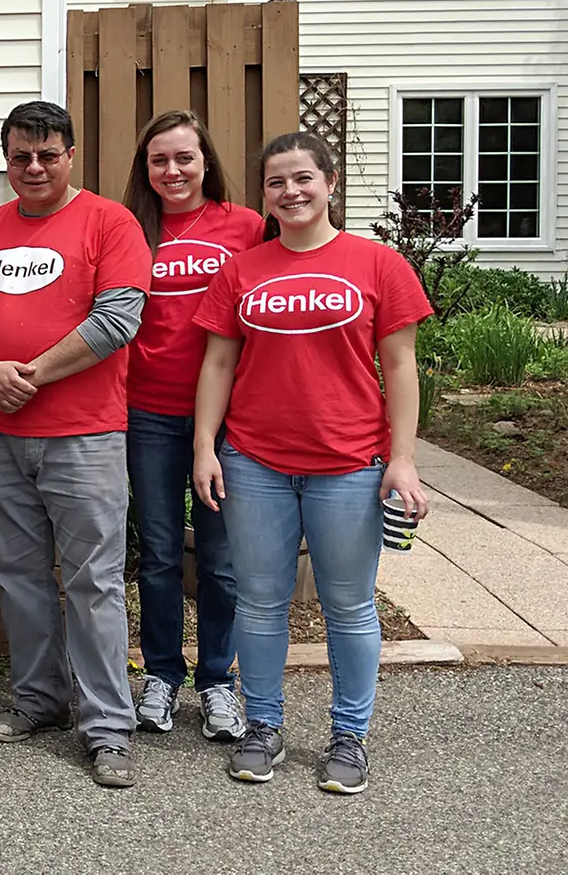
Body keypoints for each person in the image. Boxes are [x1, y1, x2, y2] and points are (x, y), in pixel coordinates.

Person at [192, 131, 432, 795]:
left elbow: (402, 368)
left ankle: (349, 738)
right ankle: (262, 726)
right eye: (276, 183)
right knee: (261, 604)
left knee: (349, 607)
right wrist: (204, 447)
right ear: (264, 195)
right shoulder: (243, 270)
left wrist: (403, 461)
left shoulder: (378, 265)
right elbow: (218, 362)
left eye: (303, 178)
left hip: (350, 465)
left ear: (330, 182)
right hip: (254, 463)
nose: (291, 192)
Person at [0, 100, 151, 788]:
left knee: (92, 582)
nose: (33, 167)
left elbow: (119, 318)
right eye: (20, 156)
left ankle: (107, 728)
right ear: (6, 160)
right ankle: (39, 700)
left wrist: (28, 375)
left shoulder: (109, 222)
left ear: (70, 155)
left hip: (85, 436)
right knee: (18, 577)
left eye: (47, 154)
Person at [119, 110, 264, 741]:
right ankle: (160, 674)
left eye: (184, 158)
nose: (172, 171)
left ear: (207, 161)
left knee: (220, 557)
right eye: (159, 160)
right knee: (155, 551)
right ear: (144, 169)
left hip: (226, 419)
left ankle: (216, 681)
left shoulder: (248, 227)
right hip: (147, 411)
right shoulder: (129, 229)